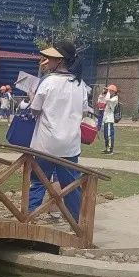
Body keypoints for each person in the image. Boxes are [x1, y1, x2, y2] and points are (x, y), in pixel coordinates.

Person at [27, 42, 89, 221]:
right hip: (70, 144)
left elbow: (35, 110)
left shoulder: (49, 82)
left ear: (60, 60)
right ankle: (76, 222)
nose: (48, 61)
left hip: (45, 143)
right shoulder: (80, 84)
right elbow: (84, 109)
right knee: (71, 185)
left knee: (38, 182)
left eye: (51, 58)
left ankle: (30, 218)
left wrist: (32, 97)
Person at [100, 84, 119, 155]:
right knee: (105, 135)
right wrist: (104, 92)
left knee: (109, 135)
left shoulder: (115, 98)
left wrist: (107, 92)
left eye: (110, 91)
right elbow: (102, 99)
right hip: (106, 119)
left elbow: (107, 100)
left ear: (113, 91)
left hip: (109, 119)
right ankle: (107, 148)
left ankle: (110, 149)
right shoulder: (110, 97)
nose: (109, 92)